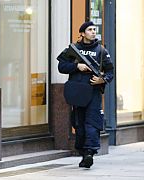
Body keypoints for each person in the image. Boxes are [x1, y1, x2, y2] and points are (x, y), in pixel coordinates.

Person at [57, 21, 114, 168]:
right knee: (79, 124)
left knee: (92, 123)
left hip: (93, 93)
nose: (93, 32)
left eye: (94, 29)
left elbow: (110, 72)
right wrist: (77, 66)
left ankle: (90, 152)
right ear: (82, 33)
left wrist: (102, 79)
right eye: (90, 30)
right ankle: (83, 153)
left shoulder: (101, 51)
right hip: (77, 92)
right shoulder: (73, 49)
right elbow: (61, 66)